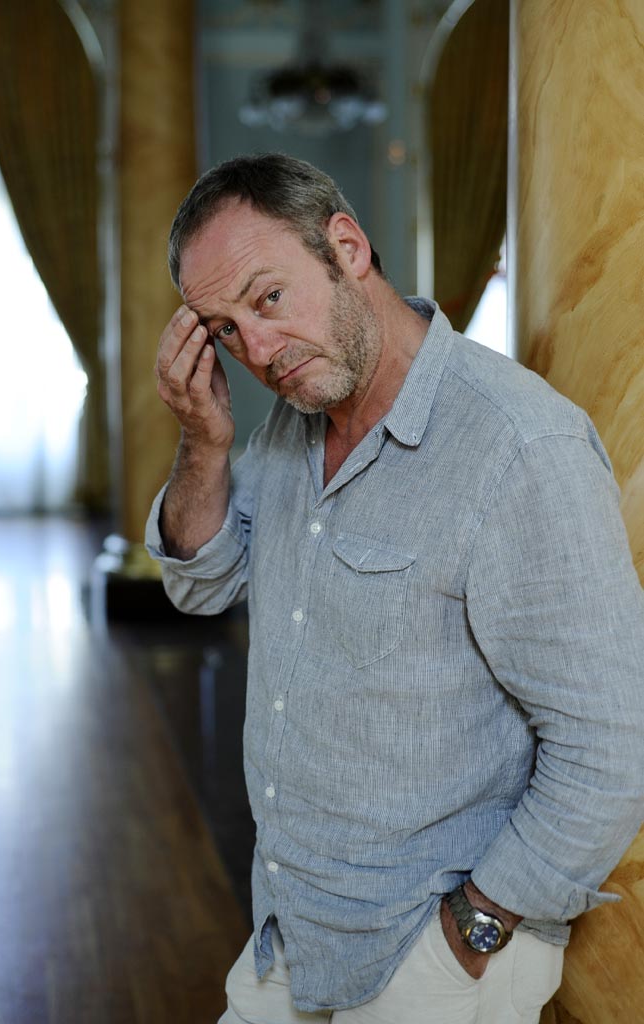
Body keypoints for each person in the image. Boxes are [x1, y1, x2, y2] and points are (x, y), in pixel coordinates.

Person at [145, 153, 644, 1023]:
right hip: (292, 926)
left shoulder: (520, 448)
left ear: (346, 248)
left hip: (433, 953)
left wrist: (472, 931)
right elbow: (201, 586)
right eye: (224, 329)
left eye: (268, 298)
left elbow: (612, 745)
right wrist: (204, 441)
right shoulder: (288, 428)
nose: (257, 351)